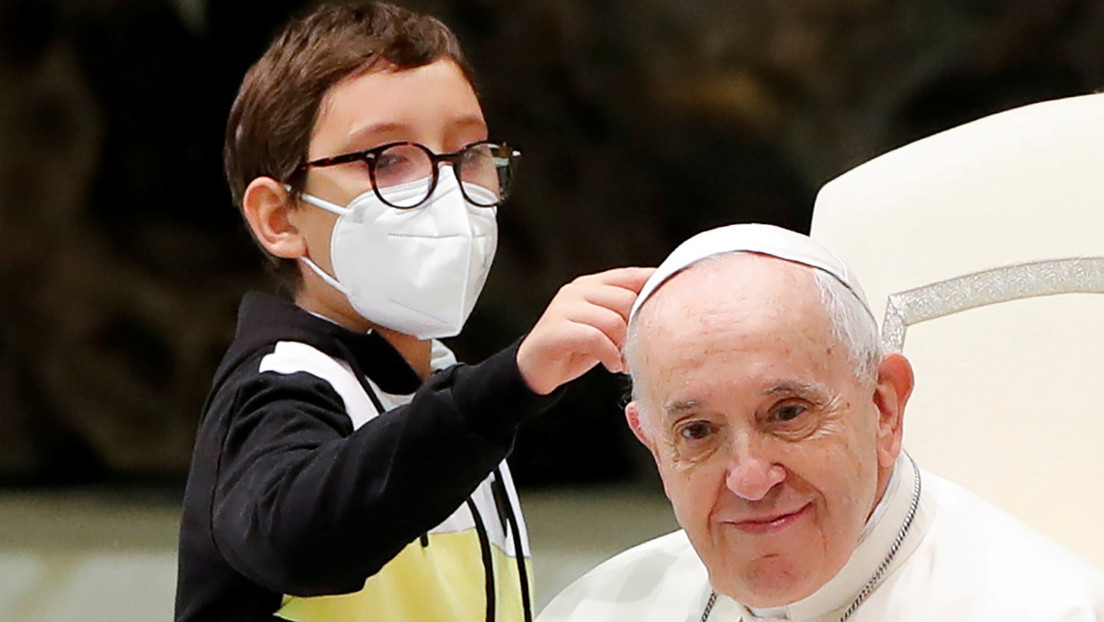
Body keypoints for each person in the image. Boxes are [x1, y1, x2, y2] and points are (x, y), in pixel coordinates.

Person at [173, 3, 652, 621]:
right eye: (387, 159)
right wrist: (513, 383)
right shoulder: (278, 387)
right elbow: (300, 543)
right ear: (279, 217)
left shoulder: (445, 401)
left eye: (470, 153)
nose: (449, 191)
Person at [538, 224, 1104, 622]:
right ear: (654, 446)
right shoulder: (599, 607)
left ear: (883, 409)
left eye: (787, 414)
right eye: (698, 431)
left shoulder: (1047, 609)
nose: (750, 478)